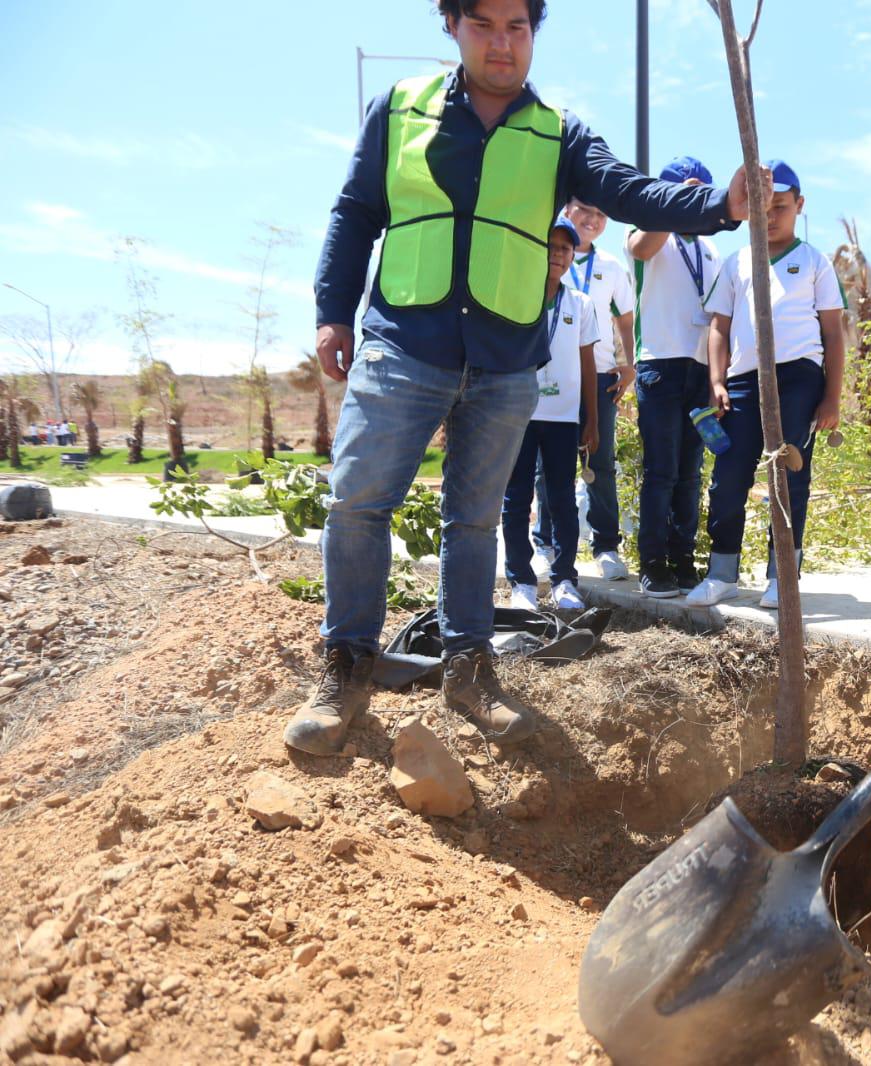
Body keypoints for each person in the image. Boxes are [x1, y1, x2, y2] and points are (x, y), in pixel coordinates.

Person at [290, 0, 758, 757]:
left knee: (474, 518)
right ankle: (345, 664)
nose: (502, 44)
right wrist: (332, 312)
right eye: (483, 25)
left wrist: (717, 205)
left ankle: (470, 669)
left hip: (507, 355)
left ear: (534, 31)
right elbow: (354, 211)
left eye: (518, 26)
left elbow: (626, 189)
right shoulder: (399, 110)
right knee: (357, 501)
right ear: (450, 25)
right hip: (404, 339)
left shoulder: (557, 130)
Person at [686, 161, 846, 610]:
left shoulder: (814, 262)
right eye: (761, 207)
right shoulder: (737, 262)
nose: (770, 216)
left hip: (798, 378)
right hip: (741, 382)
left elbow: (833, 333)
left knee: (788, 475)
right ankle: (722, 574)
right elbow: (719, 325)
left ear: (799, 205)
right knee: (728, 477)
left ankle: (782, 579)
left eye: (780, 206)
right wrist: (715, 380)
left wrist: (832, 397)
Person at [624, 157, 724, 598]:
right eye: (684, 192)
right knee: (660, 470)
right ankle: (653, 563)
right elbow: (641, 249)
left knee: (690, 471)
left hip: (701, 368)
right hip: (660, 365)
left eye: (700, 192)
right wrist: (673, 203)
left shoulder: (711, 248)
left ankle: (684, 559)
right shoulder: (647, 234)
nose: (692, 201)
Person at [531, 198, 637, 583]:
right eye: (585, 210)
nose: (593, 219)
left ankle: (606, 545)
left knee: (599, 460)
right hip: (550, 374)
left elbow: (626, 316)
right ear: (566, 210)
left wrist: (628, 363)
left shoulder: (609, 266)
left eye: (602, 213)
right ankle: (545, 545)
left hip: (600, 373)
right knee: (545, 466)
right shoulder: (541, 253)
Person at [504, 218, 599, 611]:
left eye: (565, 248)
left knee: (562, 499)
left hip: (562, 418)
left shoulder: (581, 303)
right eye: (551, 246)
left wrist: (591, 418)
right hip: (519, 415)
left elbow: (588, 363)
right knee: (516, 498)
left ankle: (564, 580)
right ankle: (522, 583)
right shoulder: (514, 297)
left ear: (572, 255)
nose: (557, 254)